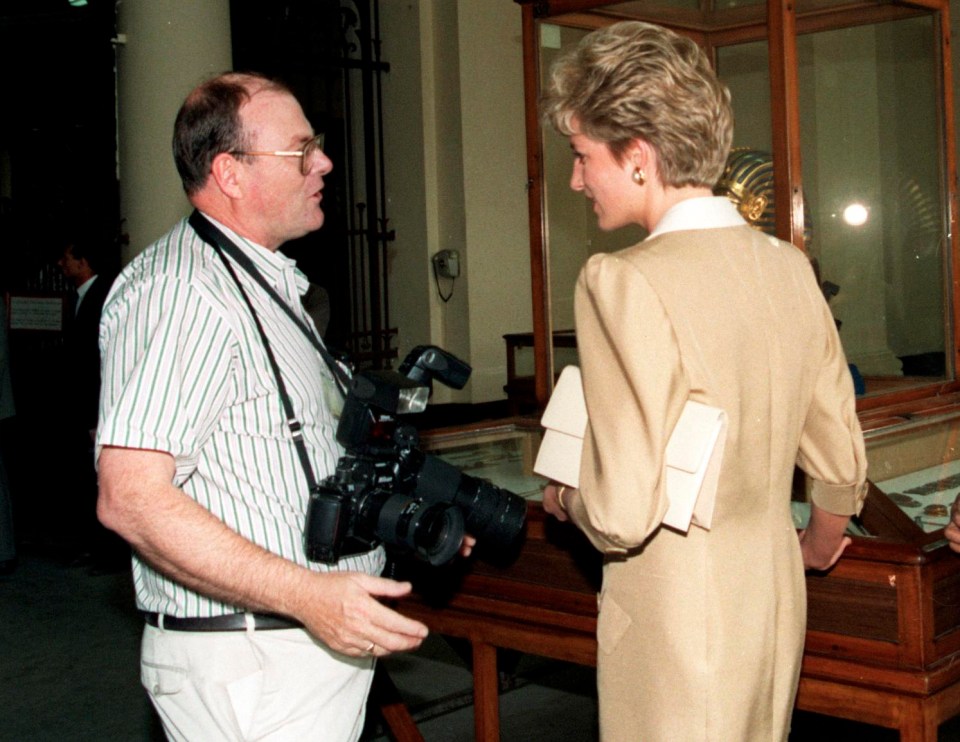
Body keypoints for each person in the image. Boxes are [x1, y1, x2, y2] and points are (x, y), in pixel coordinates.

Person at [96, 72, 451, 741]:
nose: (324, 163)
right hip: (254, 663)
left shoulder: (262, 281)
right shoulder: (185, 293)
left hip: (289, 654)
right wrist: (307, 595)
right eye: (300, 150)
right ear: (230, 173)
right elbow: (131, 499)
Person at [538, 22, 868, 741]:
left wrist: (565, 496)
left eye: (581, 155)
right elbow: (839, 458)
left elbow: (623, 512)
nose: (573, 180)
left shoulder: (621, 280)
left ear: (638, 157)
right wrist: (811, 547)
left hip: (676, 625)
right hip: (772, 600)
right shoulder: (787, 265)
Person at [56, 237, 122, 571]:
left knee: (101, 481)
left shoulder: (104, 297)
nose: (60, 264)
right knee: (85, 481)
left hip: (97, 411)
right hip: (83, 411)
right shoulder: (83, 298)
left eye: (66, 257)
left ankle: (108, 553)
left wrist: (98, 417)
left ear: (84, 262)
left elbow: (101, 363)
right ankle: (93, 547)